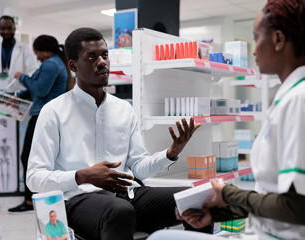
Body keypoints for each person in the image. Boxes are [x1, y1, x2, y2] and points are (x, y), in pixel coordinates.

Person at [148, 0, 305, 240]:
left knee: (160, 238)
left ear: (278, 40)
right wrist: (218, 213)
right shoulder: (300, 97)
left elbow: (300, 208)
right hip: (273, 232)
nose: (254, 50)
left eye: (257, 38)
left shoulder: (303, 102)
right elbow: (274, 196)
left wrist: (229, 194)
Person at [26, 27, 213, 240]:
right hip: (77, 201)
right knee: (119, 211)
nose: (102, 62)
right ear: (73, 66)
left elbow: (139, 168)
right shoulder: (53, 112)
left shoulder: (123, 109)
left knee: (196, 199)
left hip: (126, 196)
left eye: (105, 55)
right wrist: (83, 175)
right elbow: (34, 178)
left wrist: (170, 153)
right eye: (92, 57)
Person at [8, 35, 74, 214]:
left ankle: (31, 201)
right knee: (41, 159)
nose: (36, 56)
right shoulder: (55, 63)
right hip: (47, 115)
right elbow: (38, 90)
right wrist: (20, 96)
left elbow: (40, 89)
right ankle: (38, 198)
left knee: (29, 158)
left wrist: (23, 77)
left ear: (44, 51)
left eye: (36, 52)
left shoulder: (51, 65)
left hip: (42, 117)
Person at [0, 15, 38, 92]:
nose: (6, 31)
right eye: (3, 29)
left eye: (9, 28)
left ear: (14, 28)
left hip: (19, 93)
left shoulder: (25, 49)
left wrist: (22, 79)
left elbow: (33, 70)